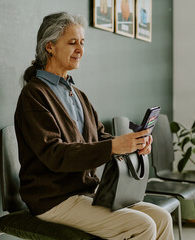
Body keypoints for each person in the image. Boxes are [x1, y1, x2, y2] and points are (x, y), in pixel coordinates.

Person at [14, 12, 174, 240]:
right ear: (50, 47)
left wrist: (133, 144)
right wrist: (113, 147)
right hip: (53, 199)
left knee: (161, 218)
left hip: (85, 191)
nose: (80, 49)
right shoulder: (34, 95)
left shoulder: (77, 94)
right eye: (72, 42)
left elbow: (100, 137)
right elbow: (54, 154)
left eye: (82, 42)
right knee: (142, 226)